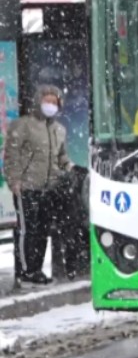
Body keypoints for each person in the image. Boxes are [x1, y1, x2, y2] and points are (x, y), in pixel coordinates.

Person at [3, 85, 72, 286]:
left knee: (42, 230)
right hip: (27, 187)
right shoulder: (23, 125)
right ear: (38, 101)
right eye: (46, 101)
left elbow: (62, 157)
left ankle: (36, 269)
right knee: (27, 230)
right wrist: (14, 180)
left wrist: (70, 168)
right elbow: (11, 155)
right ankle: (25, 271)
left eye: (54, 102)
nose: (50, 105)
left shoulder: (59, 129)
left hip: (48, 188)